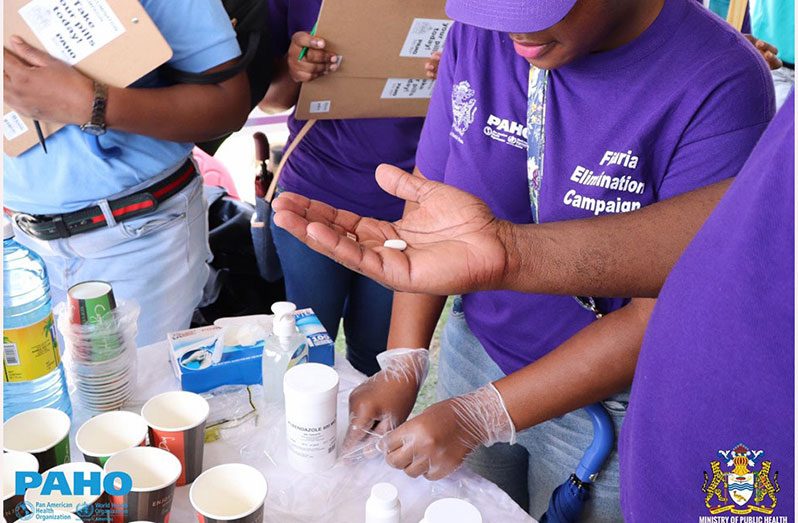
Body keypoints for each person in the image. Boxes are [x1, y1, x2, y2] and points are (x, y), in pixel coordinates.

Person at [280, 0, 773, 518]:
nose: (512, 29)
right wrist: (404, 361)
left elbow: (667, 308)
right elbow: (430, 213)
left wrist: (484, 414)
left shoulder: (721, 81)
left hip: (605, 400)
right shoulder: (483, 30)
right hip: (478, 351)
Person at [3, 1, 250, 346]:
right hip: (17, 241)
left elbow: (228, 103)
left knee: (132, 396)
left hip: (136, 235)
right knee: (32, 396)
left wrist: (89, 103)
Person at [259, 0, 438, 375]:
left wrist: (457, 74)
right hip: (313, 192)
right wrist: (295, 68)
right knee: (304, 349)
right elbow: (272, 98)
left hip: (409, 206)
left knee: (377, 359)